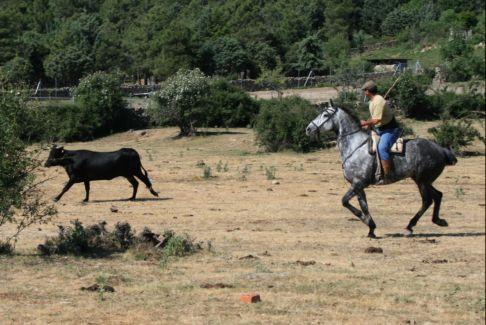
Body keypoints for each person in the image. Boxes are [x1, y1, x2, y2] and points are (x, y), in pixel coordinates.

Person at [360, 80, 401, 184]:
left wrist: (365, 123)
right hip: (379, 129)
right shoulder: (372, 102)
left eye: (364, 90)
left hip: (390, 130)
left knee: (382, 148)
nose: (364, 92)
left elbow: (376, 120)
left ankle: (388, 176)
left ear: (368, 91)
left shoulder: (378, 101)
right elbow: (374, 118)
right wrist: (368, 124)